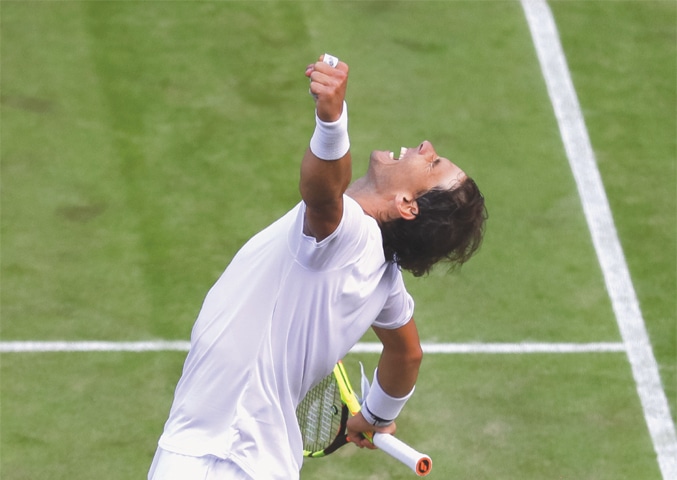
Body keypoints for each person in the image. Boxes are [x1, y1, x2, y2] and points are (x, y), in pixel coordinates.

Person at [149, 54, 487, 480]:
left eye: (433, 165)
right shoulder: (385, 280)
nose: (426, 148)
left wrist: (332, 121)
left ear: (407, 205)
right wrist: (377, 415)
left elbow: (323, 194)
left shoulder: (351, 234)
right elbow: (406, 353)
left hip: (219, 457)